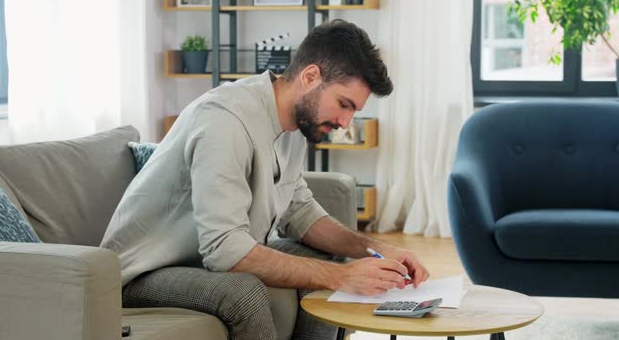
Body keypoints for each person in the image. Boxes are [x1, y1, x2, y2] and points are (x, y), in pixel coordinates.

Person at [101, 19, 429, 340]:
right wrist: (342, 277)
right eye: (344, 104)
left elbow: (300, 213)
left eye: (354, 110)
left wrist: (375, 248)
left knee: (327, 260)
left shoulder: (295, 124)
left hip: (198, 260)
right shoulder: (224, 120)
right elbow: (225, 251)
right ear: (311, 76)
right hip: (142, 273)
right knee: (245, 293)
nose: (345, 122)